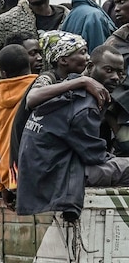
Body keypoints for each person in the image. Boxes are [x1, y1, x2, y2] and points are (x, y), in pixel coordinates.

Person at [17, 44, 129, 218]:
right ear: (90, 67)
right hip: (56, 177)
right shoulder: (86, 105)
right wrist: (113, 158)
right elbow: (94, 155)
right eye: (108, 70)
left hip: (36, 172)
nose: (115, 77)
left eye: (120, 73)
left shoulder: (65, 87)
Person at [0, 44, 38, 198]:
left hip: (12, 181)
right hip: (42, 176)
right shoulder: (43, 93)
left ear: (2, 73)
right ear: (29, 65)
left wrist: (1, 186)